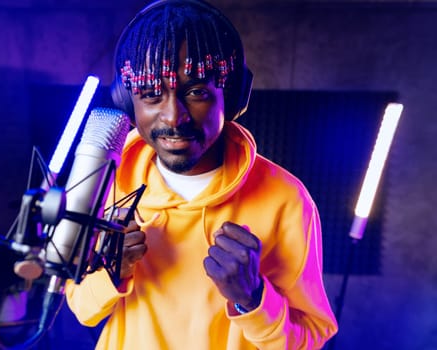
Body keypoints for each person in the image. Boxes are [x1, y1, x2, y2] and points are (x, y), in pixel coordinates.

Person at [65, 0, 338, 349]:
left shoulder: (285, 198)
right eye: (150, 94)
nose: (173, 117)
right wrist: (112, 273)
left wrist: (252, 299)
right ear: (125, 100)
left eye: (196, 92)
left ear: (233, 95)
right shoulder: (107, 181)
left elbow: (311, 338)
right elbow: (80, 306)